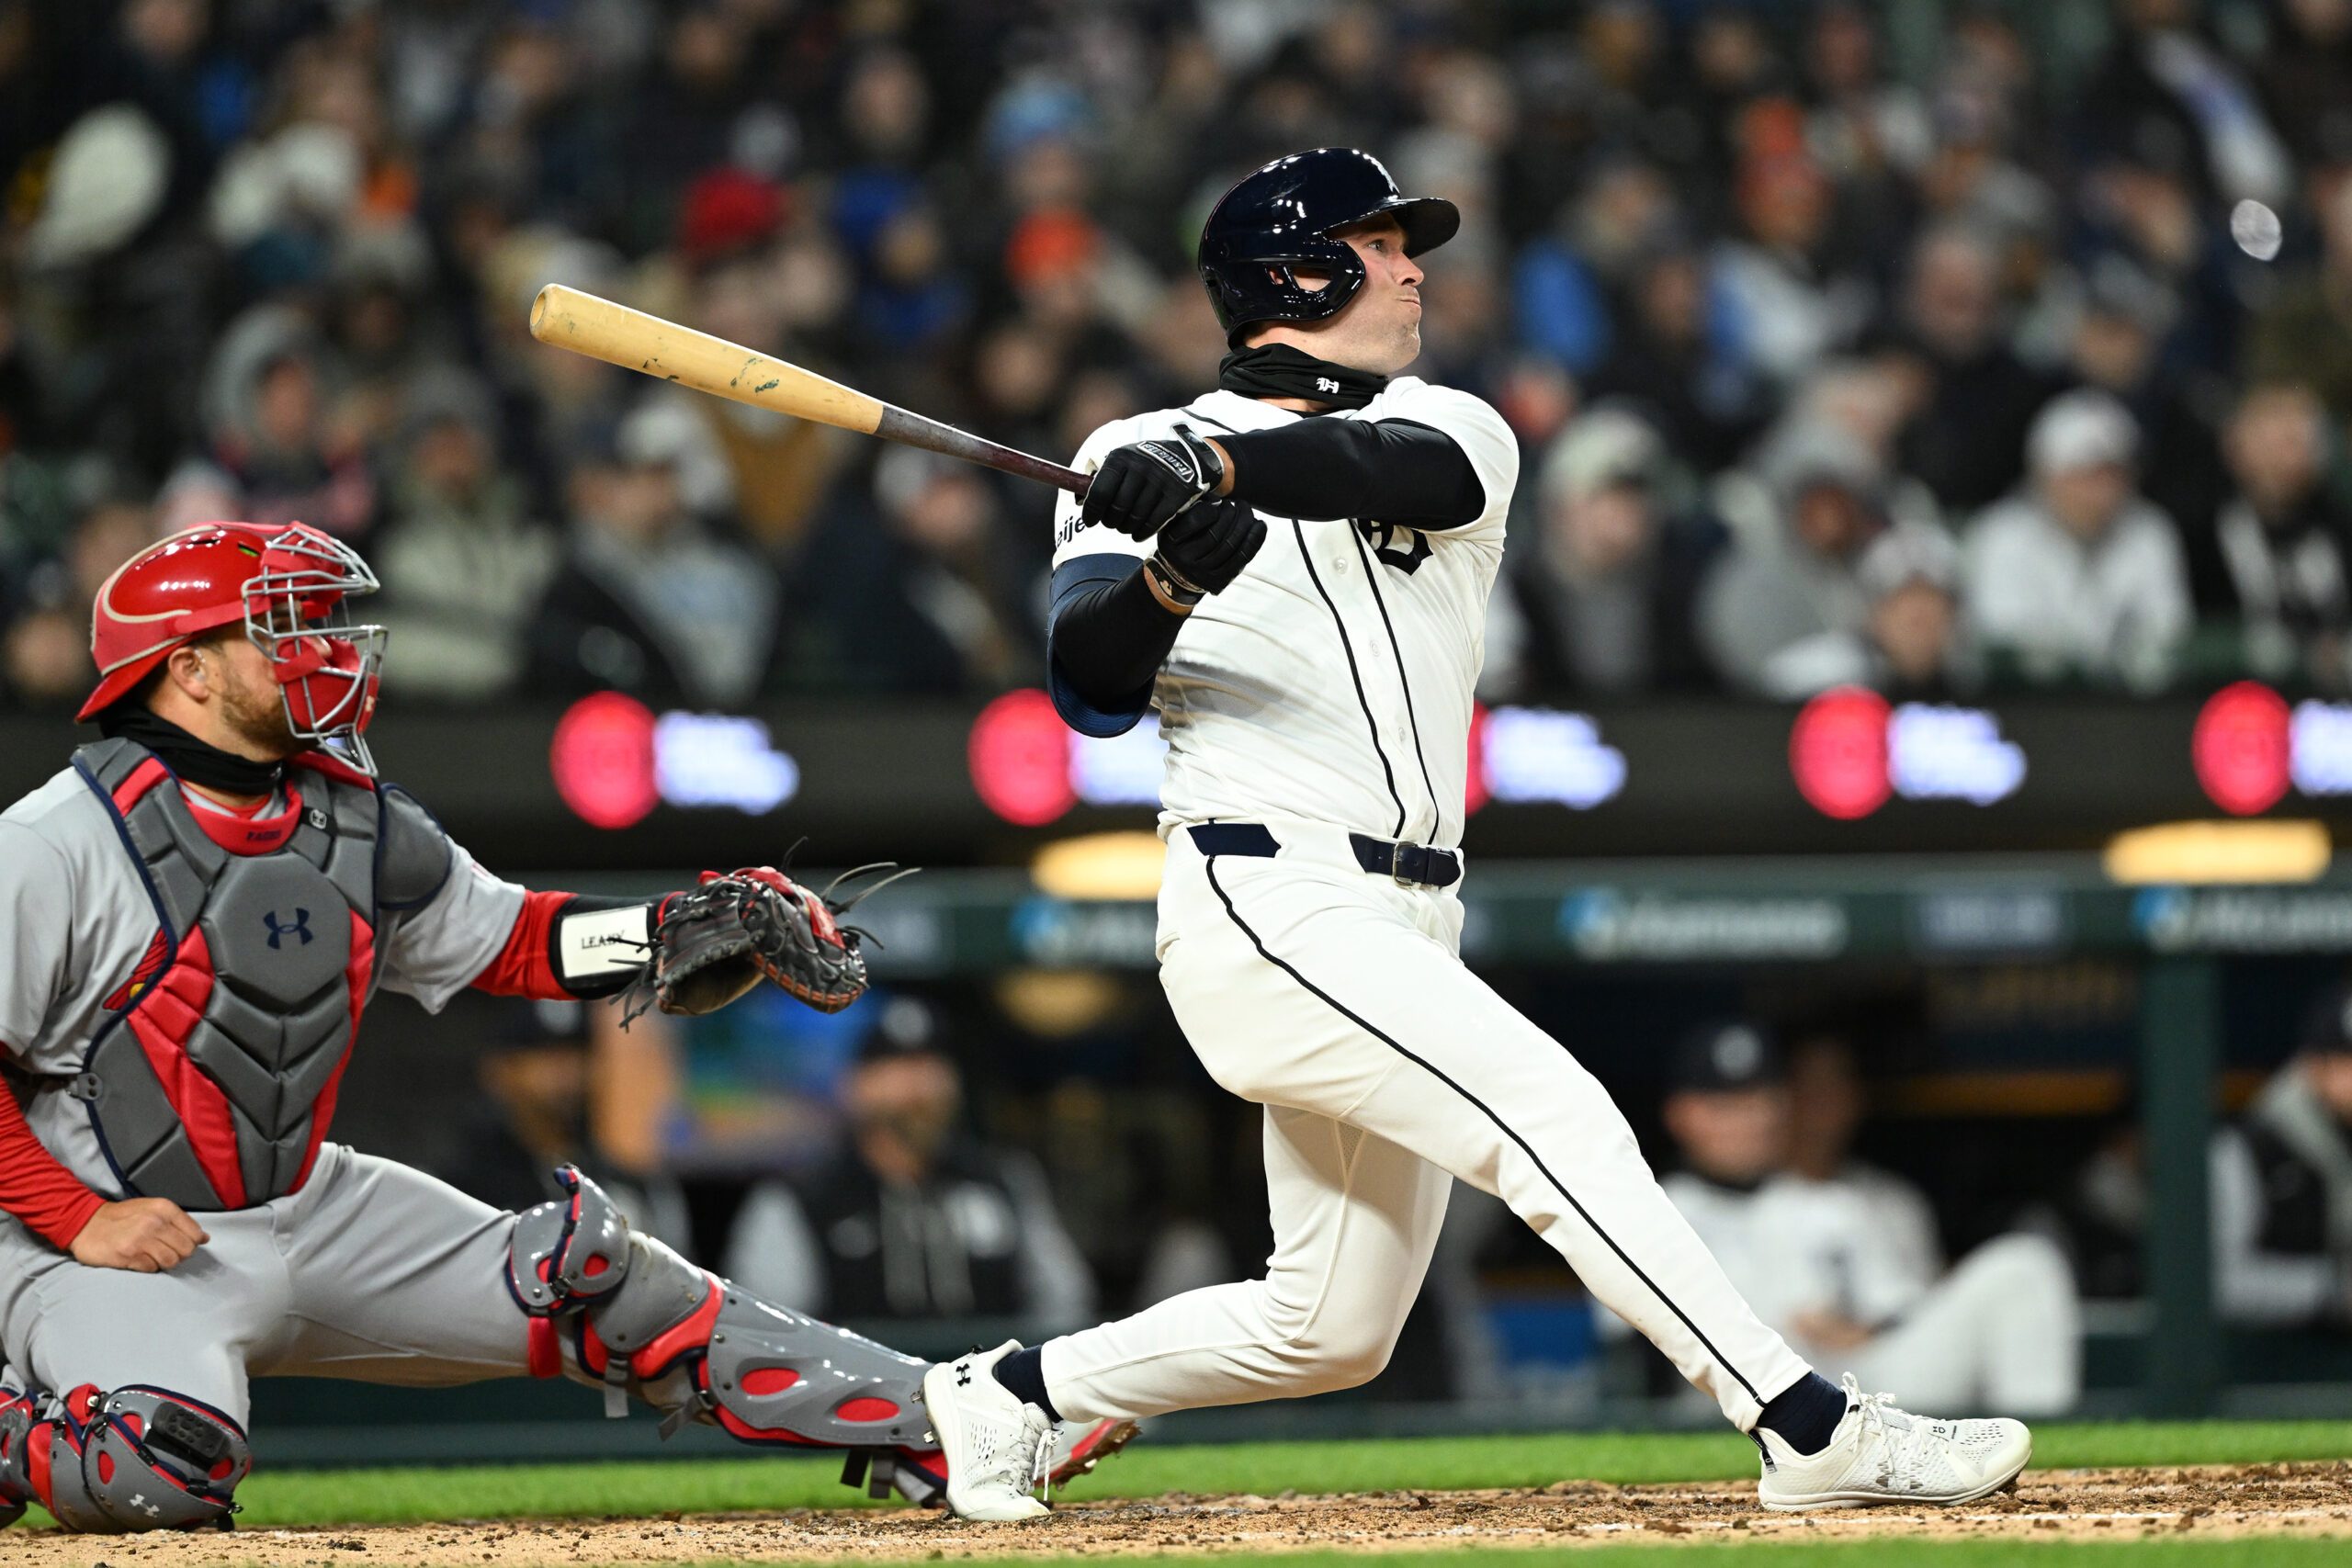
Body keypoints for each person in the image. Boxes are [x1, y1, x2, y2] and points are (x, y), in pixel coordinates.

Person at [915, 147, 2033, 1521]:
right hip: (1267, 894)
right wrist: (1166, 569)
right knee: (1551, 1113)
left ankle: (1008, 1393)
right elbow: (1090, 683)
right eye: (1380, 244)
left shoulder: (1453, 424)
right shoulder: (1115, 458)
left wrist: (1215, 465)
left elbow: (1380, 462)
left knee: (1330, 1323)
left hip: (1404, 909)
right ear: (1296, 271)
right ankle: (1803, 1420)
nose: (1411, 266)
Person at [0, 522, 1107, 1532]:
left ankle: (944, 1425)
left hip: (305, 1201)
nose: (326, 647)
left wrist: (677, 925)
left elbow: (517, 943)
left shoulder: (356, 820)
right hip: (99, 1232)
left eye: (326, 619)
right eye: (283, 626)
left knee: (596, 1279)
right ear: (184, 669)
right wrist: (76, 1217)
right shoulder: (54, 842)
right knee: (158, 1474)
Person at [1657, 1023, 2081, 1416]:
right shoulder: (1654, 1209)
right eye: (1726, 1106)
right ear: (1682, 1114)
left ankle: (2050, 1466)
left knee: (2023, 1266)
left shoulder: (1830, 1203)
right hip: (1721, 1407)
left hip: (1854, 1396)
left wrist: (1856, 1332)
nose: (1751, 1121)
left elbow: (1899, 1312)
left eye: (1759, 1101)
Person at [722, 998, 1098, 1332]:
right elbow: (770, 1331)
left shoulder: (1001, 1180)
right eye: (897, 1067)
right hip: (855, 1402)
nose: (918, 1087)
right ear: (854, 1086)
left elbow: (1065, 1305)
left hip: (992, 1399)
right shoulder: (803, 1197)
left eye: (930, 1065)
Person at [1962, 389, 2193, 688]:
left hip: (2130, 710)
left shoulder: (2150, 531)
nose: (2101, 493)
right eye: (2084, 476)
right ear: (2045, 475)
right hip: (2030, 709)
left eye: (2113, 475)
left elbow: (2170, 634)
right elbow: (2005, 642)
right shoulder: (2001, 535)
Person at [2211, 982, 2352, 1330]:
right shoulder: (2245, 1151)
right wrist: (2329, 1289)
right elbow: (2213, 1283)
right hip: (2267, 1371)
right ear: (2313, 1065)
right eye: (2348, 1062)